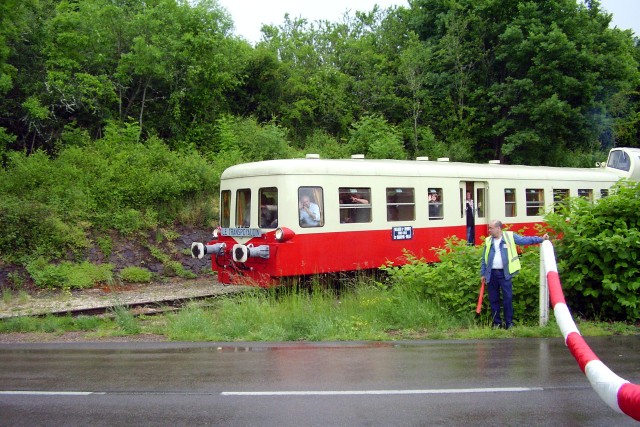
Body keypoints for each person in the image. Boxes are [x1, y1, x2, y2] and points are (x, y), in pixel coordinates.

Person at [480, 220, 548, 329]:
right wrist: (482, 273)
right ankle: (497, 323)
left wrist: (540, 239)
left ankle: (509, 323)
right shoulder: (488, 241)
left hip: (505, 274)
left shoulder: (510, 236)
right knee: (493, 299)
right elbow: (484, 259)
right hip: (491, 274)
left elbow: (525, 240)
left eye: (491, 228)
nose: (489, 230)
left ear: (498, 228)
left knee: (507, 299)